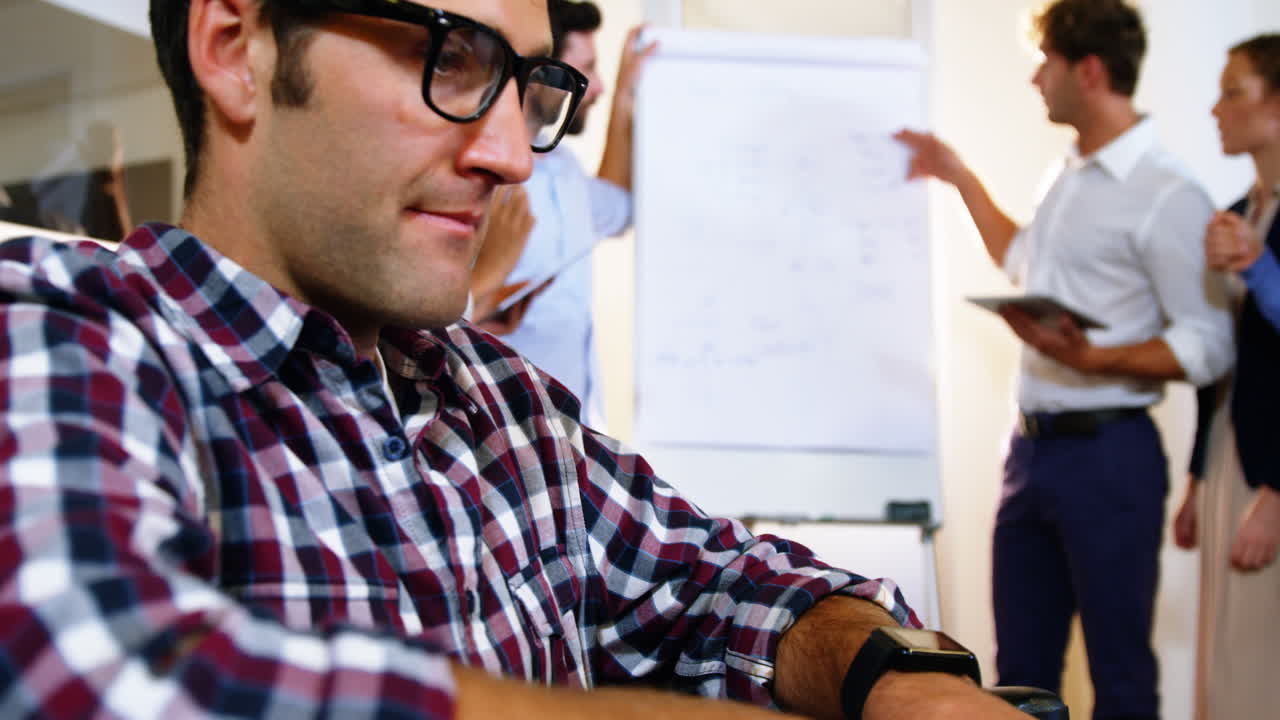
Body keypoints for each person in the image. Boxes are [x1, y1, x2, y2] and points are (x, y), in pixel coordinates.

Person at [0, 0, 1030, 717]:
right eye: (449, 58)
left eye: (529, 89)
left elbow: (725, 584)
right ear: (237, 46)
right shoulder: (64, 340)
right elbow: (102, 675)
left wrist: (890, 679)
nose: (505, 154)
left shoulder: (505, 406)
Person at [895, 1, 1233, 718]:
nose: (1034, 79)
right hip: (1030, 455)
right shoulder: (1070, 174)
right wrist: (957, 176)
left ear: (1089, 69)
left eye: (1044, 61)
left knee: (1119, 676)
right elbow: (1022, 258)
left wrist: (1093, 355)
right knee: (1019, 677)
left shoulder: (1168, 194)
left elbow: (1208, 344)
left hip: (1109, 457)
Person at [1172, 32, 1280, 720]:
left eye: (1233, 92)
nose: (1216, 109)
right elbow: (1224, 363)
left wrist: (1276, 491)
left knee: (1260, 664)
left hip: (1270, 470)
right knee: (1221, 660)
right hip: (1231, 454)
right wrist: (1197, 477)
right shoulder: (1240, 214)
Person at [483, 0, 652, 429]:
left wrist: (627, 99)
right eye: (584, 72)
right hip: (500, 432)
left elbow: (618, 207)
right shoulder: (485, 185)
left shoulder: (563, 168)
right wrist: (487, 277)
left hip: (570, 435)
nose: (597, 87)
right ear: (542, 77)